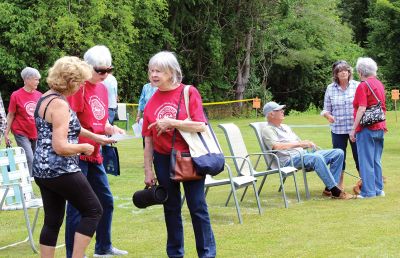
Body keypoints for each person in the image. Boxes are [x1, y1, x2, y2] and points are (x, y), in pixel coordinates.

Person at [33, 56, 115, 258]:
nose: (80, 87)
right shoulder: (60, 105)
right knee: (94, 210)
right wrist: (84, 148)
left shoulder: (45, 97)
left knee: (52, 221)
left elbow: (70, 128)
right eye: (78, 82)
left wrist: (97, 137)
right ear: (69, 81)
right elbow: (60, 146)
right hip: (61, 169)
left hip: (42, 170)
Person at [142, 51, 216, 258]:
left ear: (172, 72)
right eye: (151, 70)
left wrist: (172, 123)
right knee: (171, 208)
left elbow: (201, 125)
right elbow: (148, 139)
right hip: (163, 159)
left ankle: (207, 254)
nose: (154, 74)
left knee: (197, 207)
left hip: (189, 156)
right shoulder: (151, 100)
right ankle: (175, 254)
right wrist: (148, 170)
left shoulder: (189, 92)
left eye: (159, 70)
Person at [65, 45, 128, 258]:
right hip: (77, 154)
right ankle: (73, 254)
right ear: (87, 67)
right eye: (100, 71)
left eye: (108, 70)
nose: (105, 75)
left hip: (95, 154)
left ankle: (103, 247)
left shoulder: (103, 87)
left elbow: (99, 121)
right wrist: (95, 137)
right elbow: (70, 123)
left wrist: (112, 129)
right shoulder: (77, 88)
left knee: (105, 202)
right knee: (77, 206)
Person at [261, 101, 355, 200]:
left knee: (338, 153)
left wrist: (307, 143)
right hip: (289, 160)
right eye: (279, 110)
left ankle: (329, 189)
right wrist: (301, 144)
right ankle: (336, 192)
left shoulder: (285, 127)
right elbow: (277, 147)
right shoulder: (268, 130)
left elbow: (298, 142)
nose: (282, 111)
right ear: (271, 114)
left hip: (303, 154)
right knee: (316, 157)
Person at [350, 57, 386, 198]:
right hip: (380, 127)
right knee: (376, 160)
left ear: (360, 71)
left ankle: (368, 192)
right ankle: (379, 189)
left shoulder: (363, 85)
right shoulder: (379, 84)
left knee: (365, 160)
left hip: (366, 128)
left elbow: (362, 108)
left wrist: (353, 128)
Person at [321, 60, 359, 190]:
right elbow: (325, 109)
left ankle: (365, 183)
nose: (343, 72)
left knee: (358, 156)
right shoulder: (330, 88)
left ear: (349, 72)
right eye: (339, 71)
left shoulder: (357, 86)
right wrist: (328, 115)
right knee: (338, 157)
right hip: (338, 129)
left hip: (355, 129)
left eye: (345, 70)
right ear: (335, 74)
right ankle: (338, 185)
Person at [4, 67, 42, 176]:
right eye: (36, 79)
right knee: (30, 158)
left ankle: (28, 181)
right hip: (21, 131)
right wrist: (6, 133)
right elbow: (11, 115)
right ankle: (29, 186)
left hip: (35, 132)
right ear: (27, 79)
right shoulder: (16, 95)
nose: (38, 82)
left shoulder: (39, 95)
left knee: (35, 159)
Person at [136, 82, 157, 147]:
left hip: (157, 117)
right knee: (146, 139)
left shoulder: (162, 86)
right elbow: (141, 102)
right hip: (146, 117)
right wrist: (138, 115)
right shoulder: (146, 87)